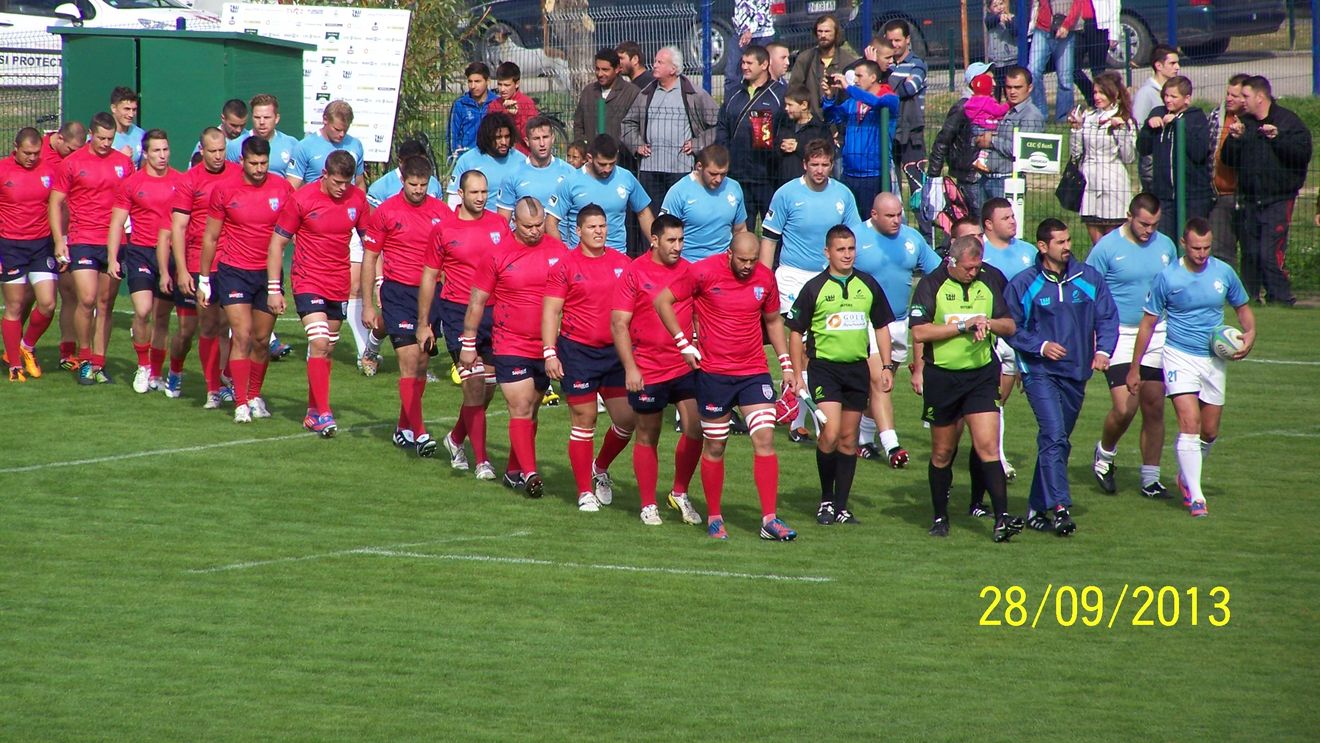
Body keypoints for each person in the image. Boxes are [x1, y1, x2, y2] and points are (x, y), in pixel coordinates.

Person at [654, 231, 800, 541]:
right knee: (716, 445)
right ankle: (715, 517)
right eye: (743, 260)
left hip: (753, 371)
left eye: (753, 260)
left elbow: (773, 321)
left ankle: (769, 519)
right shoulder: (703, 272)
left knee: (764, 439)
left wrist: (786, 364)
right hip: (714, 375)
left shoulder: (765, 277)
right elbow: (662, 300)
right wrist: (683, 343)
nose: (748, 266)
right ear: (729, 254)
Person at [1127, 218, 1256, 518]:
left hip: (1213, 360)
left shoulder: (1224, 273)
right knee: (1189, 423)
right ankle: (1197, 497)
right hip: (1179, 356)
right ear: (1184, 244)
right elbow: (1147, 324)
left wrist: (1250, 334)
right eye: (1196, 248)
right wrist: (1135, 367)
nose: (1202, 254)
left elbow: (1243, 308)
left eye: (1207, 247)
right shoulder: (1167, 277)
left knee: (1209, 431)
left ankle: (1186, 476)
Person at [1006, 219, 1118, 536]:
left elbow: (1107, 317)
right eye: (1060, 242)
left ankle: (1035, 507)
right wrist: (1040, 346)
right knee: (1054, 435)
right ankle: (1060, 507)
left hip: (1076, 373)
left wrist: (1103, 351)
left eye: (1068, 240)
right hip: (1039, 372)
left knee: (1057, 442)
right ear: (1043, 247)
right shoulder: (1024, 284)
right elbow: (1010, 326)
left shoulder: (1089, 278)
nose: (1068, 247)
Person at [909, 235, 1022, 541]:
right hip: (943, 378)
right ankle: (940, 516)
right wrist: (963, 325)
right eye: (968, 268)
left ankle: (1001, 519)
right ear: (952, 262)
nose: (974, 273)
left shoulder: (989, 281)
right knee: (943, 452)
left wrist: (988, 323)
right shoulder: (931, 284)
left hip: (981, 377)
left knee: (988, 447)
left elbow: (1010, 324)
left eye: (977, 267)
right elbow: (919, 332)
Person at [461, 197, 570, 498]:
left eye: (539, 225)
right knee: (520, 406)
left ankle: (513, 471)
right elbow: (477, 301)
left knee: (532, 410)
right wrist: (468, 344)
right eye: (527, 226)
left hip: (547, 346)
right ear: (514, 223)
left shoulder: (558, 251)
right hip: (510, 342)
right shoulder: (498, 255)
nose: (535, 231)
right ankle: (531, 473)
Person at [787, 225, 896, 525]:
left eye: (851, 249)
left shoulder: (868, 284)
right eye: (840, 249)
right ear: (827, 252)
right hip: (825, 370)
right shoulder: (814, 288)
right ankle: (826, 500)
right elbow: (795, 332)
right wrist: (797, 374)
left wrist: (886, 366)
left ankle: (842, 506)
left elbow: (882, 326)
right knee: (831, 433)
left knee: (849, 440)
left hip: (857, 370)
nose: (847, 255)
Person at [760, 136, 867, 442]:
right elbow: (769, 239)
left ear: (832, 165)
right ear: (804, 164)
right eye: (815, 164)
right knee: (804, 344)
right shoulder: (786, 194)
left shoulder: (843, 195)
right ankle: (804, 419)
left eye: (825, 164)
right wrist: (765, 281)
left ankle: (804, 415)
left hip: (828, 278)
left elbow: (853, 238)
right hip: (793, 277)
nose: (820, 170)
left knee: (818, 346)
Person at [267, 150, 369, 436]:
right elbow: (277, 243)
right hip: (308, 280)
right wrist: (274, 289)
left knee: (326, 350)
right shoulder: (302, 199)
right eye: (337, 182)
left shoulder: (357, 200)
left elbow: (371, 244)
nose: (342, 188)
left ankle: (313, 412)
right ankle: (324, 412)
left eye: (347, 183)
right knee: (320, 342)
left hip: (338, 284)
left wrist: (378, 282)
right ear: (324, 175)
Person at [610, 214, 704, 525]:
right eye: (671, 240)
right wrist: (630, 368)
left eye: (681, 240)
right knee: (648, 435)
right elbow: (619, 324)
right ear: (654, 240)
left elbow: (698, 314)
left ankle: (679, 492)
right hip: (649, 367)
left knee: (696, 428)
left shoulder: (689, 271)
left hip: (684, 366)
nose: (678, 246)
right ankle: (648, 504)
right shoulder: (635, 272)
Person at [543, 205, 635, 511]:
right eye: (592, 226)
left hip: (614, 354)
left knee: (627, 420)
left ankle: (600, 467)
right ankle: (584, 491)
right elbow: (551, 310)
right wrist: (550, 352)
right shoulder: (565, 266)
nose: (598, 231)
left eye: (602, 226)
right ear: (578, 230)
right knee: (585, 421)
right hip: (578, 352)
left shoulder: (622, 263)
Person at [197, 136, 295, 423]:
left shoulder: (282, 188)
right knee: (241, 335)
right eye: (254, 163)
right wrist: (204, 279)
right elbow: (211, 237)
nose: (259, 169)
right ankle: (240, 403)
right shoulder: (225, 190)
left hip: (268, 275)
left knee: (261, 340)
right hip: (234, 272)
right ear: (242, 160)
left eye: (264, 163)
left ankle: (254, 395)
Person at [1086, 193, 1178, 498]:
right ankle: (1105, 453)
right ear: (1129, 216)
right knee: (1125, 407)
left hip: (1156, 332)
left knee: (1154, 405)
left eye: (1154, 225)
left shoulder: (1166, 246)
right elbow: (1088, 291)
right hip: (1119, 335)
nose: (1149, 230)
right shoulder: (1106, 248)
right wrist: (1095, 336)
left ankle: (1150, 479)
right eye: (1143, 224)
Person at [418, 169, 510, 471]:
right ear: (460, 194)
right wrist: (424, 323)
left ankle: (456, 438)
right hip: (458, 313)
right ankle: (482, 461)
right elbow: (430, 276)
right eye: (474, 192)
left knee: (487, 391)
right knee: (473, 386)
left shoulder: (499, 225)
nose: (481, 198)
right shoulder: (444, 230)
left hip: (495, 313)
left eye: (484, 192)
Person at [362, 155, 452, 455]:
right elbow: (370, 257)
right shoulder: (386, 212)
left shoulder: (441, 212)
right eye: (413, 184)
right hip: (398, 293)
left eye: (423, 185)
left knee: (422, 364)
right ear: (402, 180)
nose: (418, 190)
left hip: (431, 295)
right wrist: (368, 305)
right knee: (410, 362)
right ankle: (421, 433)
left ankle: (403, 427)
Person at [288, 101, 378, 374]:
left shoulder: (355, 146)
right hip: (313, 227)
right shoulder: (306, 147)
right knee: (320, 340)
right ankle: (318, 343)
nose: (341, 134)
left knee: (355, 287)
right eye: (337, 129)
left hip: (345, 225)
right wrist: (298, 225)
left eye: (345, 130)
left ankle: (362, 352)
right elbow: (292, 187)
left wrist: (358, 211)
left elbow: (359, 184)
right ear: (325, 121)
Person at [852, 192, 941, 466]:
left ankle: (863, 440)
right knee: (880, 379)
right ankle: (892, 446)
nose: (896, 220)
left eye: (899, 214)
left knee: (882, 385)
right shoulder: (856, 238)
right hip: (867, 323)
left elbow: (938, 273)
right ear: (874, 214)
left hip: (900, 323)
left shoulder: (912, 239)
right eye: (889, 216)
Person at [49, 112, 133, 385]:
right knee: (86, 299)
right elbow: (55, 203)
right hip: (82, 239)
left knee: (105, 304)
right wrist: (59, 239)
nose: (106, 143)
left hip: (114, 242)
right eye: (101, 138)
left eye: (110, 139)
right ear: (91, 135)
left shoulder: (123, 163)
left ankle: (99, 363)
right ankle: (84, 359)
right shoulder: (72, 163)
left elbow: (132, 201)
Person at [1222, 75, 1311, 307]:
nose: (1242, 100)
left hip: (1278, 198)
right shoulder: (1246, 123)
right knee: (1251, 252)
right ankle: (1249, 298)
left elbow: (1302, 155)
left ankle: (1280, 297)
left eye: (1246, 96)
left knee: (1269, 252)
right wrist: (1234, 139)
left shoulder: (1288, 122)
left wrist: (1277, 139)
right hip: (1251, 199)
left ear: (1260, 97)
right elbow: (1228, 160)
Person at [106, 128, 183, 395]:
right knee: (142, 310)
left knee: (161, 317)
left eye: (165, 150)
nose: (162, 155)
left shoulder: (181, 181)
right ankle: (143, 365)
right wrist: (112, 258)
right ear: (146, 153)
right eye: (156, 150)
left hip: (170, 254)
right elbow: (117, 222)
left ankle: (157, 373)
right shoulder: (132, 183)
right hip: (140, 252)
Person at [169, 127, 240, 409]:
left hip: (232, 261)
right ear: (201, 150)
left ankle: (222, 380)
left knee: (231, 325)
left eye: (222, 150)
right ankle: (197, 380)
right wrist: (183, 270)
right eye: (212, 151)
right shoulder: (190, 180)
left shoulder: (238, 174)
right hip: (200, 261)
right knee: (202, 327)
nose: (218, 156)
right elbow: (178, 227)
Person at [976, 197, 1037, 485]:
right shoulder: (978, 251)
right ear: (988, 224)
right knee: (988, 398)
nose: (1013, 221)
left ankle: (990, 451)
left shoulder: (1028, 252)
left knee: (998, 399)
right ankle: (996, 457)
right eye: (1006, 218)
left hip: (1017, 336)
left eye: (1013, 216)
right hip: (987, 334)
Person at [620, 46, 720, 215]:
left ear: (673, 69)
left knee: (679, 217)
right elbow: (628, 123)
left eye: (660, 62)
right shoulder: (646, 94)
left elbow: (718, 125)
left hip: (681, 169)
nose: (654, 65)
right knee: (652, 218)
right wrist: (636, 145)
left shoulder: (694, 94)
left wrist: (698, 144)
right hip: (650, 169)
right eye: (655, 61)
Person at [1, 128, 58, 382]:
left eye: (36, 153)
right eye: (27, 153)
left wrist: (61, 240)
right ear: (16, 148)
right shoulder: (2, 170)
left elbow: (58, 205)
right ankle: (14, 365)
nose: (32, 158)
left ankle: (27, 346)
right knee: (14, 305)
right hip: (10, 246)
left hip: (41, 245)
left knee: (48, 304)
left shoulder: (49, 171)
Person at [716, 45, 785, 230]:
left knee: (773, 230)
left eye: (749, 63)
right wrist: (726, 154)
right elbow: (722, 127)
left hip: (768, 177)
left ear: (764, 65)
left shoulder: (779, 94)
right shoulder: (733, 94)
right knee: (741, 231)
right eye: (743, 62)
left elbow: (786, 128)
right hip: (738, 176)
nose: (744, 67)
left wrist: (776, 150)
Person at [1136, 76, 1212, 241]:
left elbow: (1199, 153)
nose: (1168, 100)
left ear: (1187, 99)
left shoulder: (1196, 118)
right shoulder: (1158, 113)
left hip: (1192, 196)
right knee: (1165, 240)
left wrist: (1179, 125)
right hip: (1164, 196)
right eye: (1166, 95)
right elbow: (1143, 148)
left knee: (1190, 239)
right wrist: (1149, 127)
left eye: (1173, 96)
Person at [549, 134, 653, 251]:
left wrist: (655, 245)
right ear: (589, 158)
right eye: (602, 164)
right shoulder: (570, 182)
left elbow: (644, 213)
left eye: (612, 163)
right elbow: (551, 221)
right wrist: (563, 254)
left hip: (617, 255)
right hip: (581, 257)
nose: (607, 169)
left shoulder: (626, 178)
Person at [821, 62, 900, 214]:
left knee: (870, 220)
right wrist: (829, 97)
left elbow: (878, 102)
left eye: (859, 76)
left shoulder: (890, 99)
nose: (855, 80)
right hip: (848, 173)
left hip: (874, 175)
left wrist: (848, 88)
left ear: (873, 77)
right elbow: (831, 116)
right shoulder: (853, 102)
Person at [1067, 71, 1136, 243]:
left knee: (1112, 243)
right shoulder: (1088, 117)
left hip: (1113, 184)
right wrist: (1076, 129)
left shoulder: (1124, 119)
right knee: (1097, 245)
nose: (1097, 97)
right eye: (1095, 92)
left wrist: (1120, 130)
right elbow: (1076, 154)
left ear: (1114, 94)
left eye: (1102, 93)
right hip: (1089, 183)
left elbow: (1128, 157)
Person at [45, 121, 88, 372]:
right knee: (28, 297)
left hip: (69, 235)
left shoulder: (78, 161)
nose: (74, 156)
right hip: (39, 236)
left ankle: (67, 353)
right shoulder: (38, 153)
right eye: (71, 150)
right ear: (59, 139)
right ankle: (18, 346)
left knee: (71, 293)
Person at [659, 144, 748, 264]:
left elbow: (740, 229)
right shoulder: (679, 191)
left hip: (723, 264)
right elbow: (664, 232)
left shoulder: (734, 188)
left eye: (723, 174)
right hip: (689, 264)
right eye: (713, 174)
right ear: (699, 166)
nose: (719, 180)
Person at [926, 62, 993, 218]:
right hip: (970, 175)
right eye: (989, 80)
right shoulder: (963, 107)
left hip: (987, 173)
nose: (994, 84)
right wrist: (933, 177)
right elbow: (943, 140)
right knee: (978, 220)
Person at [495, 116, 577, 241]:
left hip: (561, 245)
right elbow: (503, 222)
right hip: (526, 246)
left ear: (553, 138)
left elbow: (576, 217)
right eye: (536, 139)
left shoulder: (569, 173)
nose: (542, 143)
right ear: (527, 141)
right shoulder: (513, 175)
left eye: (545, 137)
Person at [976, 66, 1044, 206]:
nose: (1012, 92)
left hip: (1008, 180)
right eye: (1009, 87)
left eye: (1017, 87)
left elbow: (1023, 150)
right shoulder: (1007, 110)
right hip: (987, 178)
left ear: (1029, 88)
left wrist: (992, 141)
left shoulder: (1031, 115)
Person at [883, 19, 929, 209]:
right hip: (890, 131)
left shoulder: (917, 64)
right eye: (890, 41)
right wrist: (897, 82)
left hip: (912, 134)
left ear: (907, 39)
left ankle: (925, 225)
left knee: (918, 188)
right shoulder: (886, 66)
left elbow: (909, 89)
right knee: (890, 187)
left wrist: (885, 82)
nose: (894, 45)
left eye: (898, 40)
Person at [1207, 74, 1249, 268]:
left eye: (1235, 95)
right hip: (1219, 195)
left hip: (1245, 196)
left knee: (1252, 250)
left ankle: (1249, 285)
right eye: (1228, 94)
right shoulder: (1217, 116)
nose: (1229, 98)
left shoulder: (1254, 121)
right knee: (1220, 251)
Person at [787, 15, 859, 119]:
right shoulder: (805, 59)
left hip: (838, 120)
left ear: (836, 33)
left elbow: (854, 95)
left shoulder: (848, 62)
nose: (823, 35)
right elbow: (794, 90)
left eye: (827, 31)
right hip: (810, 121)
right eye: (820, 31)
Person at [450, 112, 522, 212]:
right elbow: (454, 199)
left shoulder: (521, 160)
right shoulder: (467, 160)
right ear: (487, 138)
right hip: (478, 220)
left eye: (507, 137)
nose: (504, 142)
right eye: (498, 138)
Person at [572, 48, 640, 153]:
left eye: (605, 70)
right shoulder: (588, 92)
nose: (600, 74)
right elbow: (578, 124)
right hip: (591, 156)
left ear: (617, 69)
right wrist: (583, 148)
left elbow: (635, 127)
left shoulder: (632, 93)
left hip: (620, 158)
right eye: (597, 69)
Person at [1132, 44, 1179, 192]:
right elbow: (1138, 127)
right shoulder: (1146, 92)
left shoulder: (1172, 90)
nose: (1177, 67)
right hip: (1153, 164)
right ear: (1158, 65)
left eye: (1177, 63)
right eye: (1172, 63)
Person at [1027, 0, 1082, 122]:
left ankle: (1063, 118)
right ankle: (1039, 115)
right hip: (1042, 29)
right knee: (1033, 71)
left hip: (1064, 29)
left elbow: (1078, 3)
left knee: (1065, 79)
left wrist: (1067, 25)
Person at [225, 94, 301, 178]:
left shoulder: (291, 144)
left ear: (276, 118)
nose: (261, 122)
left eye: (267, 117)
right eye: (257, 117)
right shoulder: (235, 146)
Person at [772, 85, 831, 186]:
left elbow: (826, 154)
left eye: (790, 105)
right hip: (783, 184)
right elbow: (771, 152)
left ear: (804, 105)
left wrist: (798, 147)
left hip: (809, 185)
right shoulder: (784, 124)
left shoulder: (819, 129)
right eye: (786, 104)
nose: (786, 108)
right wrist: (781, 147)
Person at [367, 139, 444, 207]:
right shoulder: (379, 189)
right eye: (411, 163)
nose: (418, 190)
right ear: (400, 162)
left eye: (421, 161)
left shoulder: (434, 184)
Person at [449, 62, 497, 160]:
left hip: (492, 157)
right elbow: (452, 135)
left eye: (477, 81)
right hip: (467, 158)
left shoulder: (497, 103)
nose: (473, 86)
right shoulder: (460, 104)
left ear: (488, 81)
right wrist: (455, 159)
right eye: (470, 81)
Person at [727, 0, 775, 97]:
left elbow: (762, 9)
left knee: (764, 73)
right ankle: (731, 102)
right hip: (739, 34)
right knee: (732, 74)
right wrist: (743, 29)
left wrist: (750, 30)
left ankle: (765, 101)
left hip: (762, 36)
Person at [487, 62, 540, 143]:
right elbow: (489, 135)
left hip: (521, 150)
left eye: (507, 85)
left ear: (517, 84)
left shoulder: (527, 103)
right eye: (500, 85)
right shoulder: (494, 105)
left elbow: (530, 137)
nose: (502, 89)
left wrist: (517, 115)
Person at [109, 86, 144, 165]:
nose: (131, 114)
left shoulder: (141, 135)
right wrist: (119, 158)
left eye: (134, 110)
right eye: (127, 109)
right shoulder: (100, 136)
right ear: (114, 108)